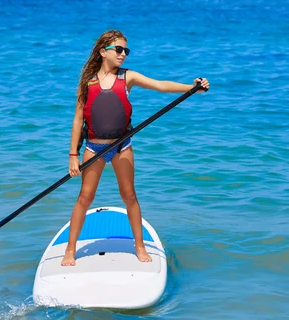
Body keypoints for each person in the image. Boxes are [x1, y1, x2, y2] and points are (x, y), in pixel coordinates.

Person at [61, 30, 210, 266]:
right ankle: (70, 249)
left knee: (129, 195)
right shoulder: (87, 83)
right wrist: (72, 156)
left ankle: (139, 246)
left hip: (122, 147)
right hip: (93, 148)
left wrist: (191, 88)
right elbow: (78, 120)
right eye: (118, 49)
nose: (123, 54)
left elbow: (160, 85)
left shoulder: (127, 77)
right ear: (103, 52)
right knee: (85, 197)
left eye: (125, 51)